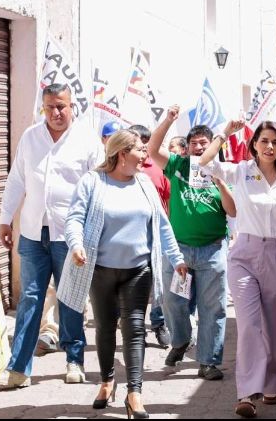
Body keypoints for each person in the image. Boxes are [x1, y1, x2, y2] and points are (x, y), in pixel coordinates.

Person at [60, 130, 188, 417]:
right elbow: (74, 218)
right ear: (121, 154)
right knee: (105, 328)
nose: (145, 156)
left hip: (138, 271)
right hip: (100, 269)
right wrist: (76, 244)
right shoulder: (93, 182)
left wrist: (176, 257)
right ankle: (107, 381)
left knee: (135, 330)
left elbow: (162, 225)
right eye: (140, 150)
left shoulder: (144, 183)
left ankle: (135, 392)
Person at [0, 83, 102, 389]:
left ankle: (75, 360)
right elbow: (16, 179)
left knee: (70, 299)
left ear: (72, 105)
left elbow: (99, 187)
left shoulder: (87, 139)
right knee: (30, 298)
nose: (55, 112)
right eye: (50, 106)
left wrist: (96, 232)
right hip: (31, 231)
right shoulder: (30, 137)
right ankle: (19, 368)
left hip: (70, 235)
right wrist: (4, 219)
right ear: (43, 107)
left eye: (61, 106)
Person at [199, 120, 276, 418]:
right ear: (254, 144)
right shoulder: (240, 171)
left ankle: (273, 384)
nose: (269, 147)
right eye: (264, 141)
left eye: (275, 142)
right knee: (249, 325)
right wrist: (224, 132)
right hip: (244, 255)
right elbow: (204, 161)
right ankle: (246, 393)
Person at [147, 106, 230, 381]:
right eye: (193, 144)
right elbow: (152, 148)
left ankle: (208, 361)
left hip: (213, 249)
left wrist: (220, 182)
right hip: (179, 250)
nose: (197, 148)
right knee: (172, 302)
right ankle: (181, 340)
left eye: (203, 144)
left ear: (214, 147)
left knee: (213, 308)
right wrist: (168, 120)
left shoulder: (225, 172)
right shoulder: (177, 166)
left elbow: (234, 210)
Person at [128, 124, 172, 349]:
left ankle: (159, 323)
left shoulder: (158, 168)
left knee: (158, 282)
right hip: (131, 237)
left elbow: (168, 199)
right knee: (134, 283)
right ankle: (136, 329)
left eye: (142, 145)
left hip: (157, 236)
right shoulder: (122, 168)